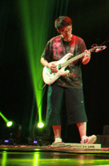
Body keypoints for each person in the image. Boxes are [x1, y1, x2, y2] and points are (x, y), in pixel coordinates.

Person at [40, 16, 97, 145]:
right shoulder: (52, 42)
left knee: (79, 109)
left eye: (69, 30)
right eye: (64, 31)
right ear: (59, 31)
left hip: (74, 80)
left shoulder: (79, 41)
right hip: (56, 79)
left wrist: (87, 58)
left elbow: (84, 62)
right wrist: (49, 65)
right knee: (54, 109)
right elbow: (43, 58)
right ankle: (57, 139)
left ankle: (84, 138)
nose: (68, 33)